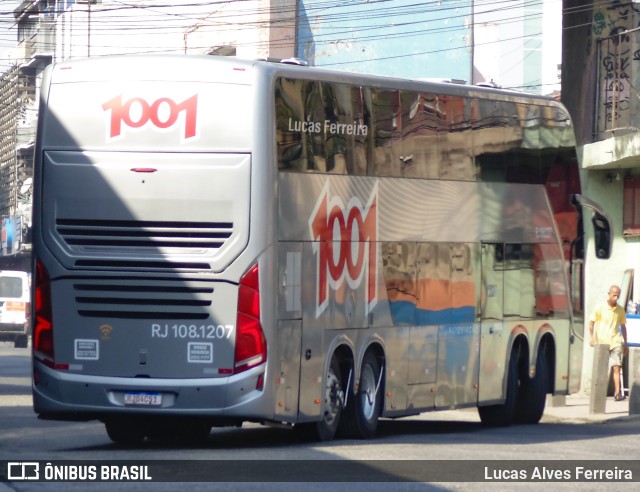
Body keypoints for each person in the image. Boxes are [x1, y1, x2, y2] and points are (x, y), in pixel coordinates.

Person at [589, 285, 628, 401]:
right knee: (601, 369)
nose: (616, 298)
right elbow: (591, 323)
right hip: (601, 342)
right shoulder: (600, 307)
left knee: (616, 367)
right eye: (614, 295)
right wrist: (592, 338)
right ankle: (598, 393)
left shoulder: (620, 310)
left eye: (618, 296)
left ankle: (617, 393)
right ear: (609, 294)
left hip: (615, 341)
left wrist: (624, 343)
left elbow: (623, 326)